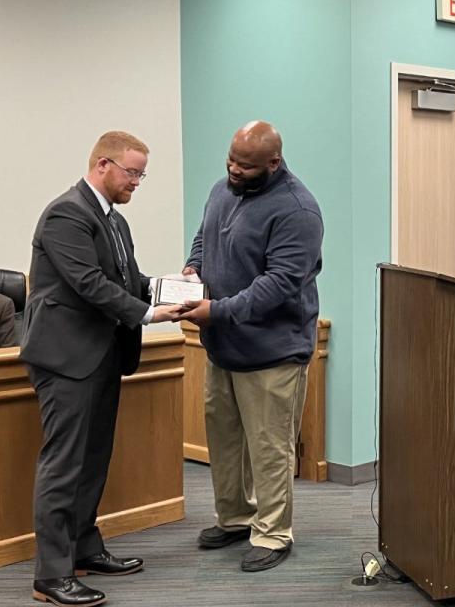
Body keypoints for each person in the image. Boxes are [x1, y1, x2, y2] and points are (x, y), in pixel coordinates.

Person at [21, 132, 182, 607]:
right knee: (63, 464)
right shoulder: (66, 213)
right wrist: (149, 314)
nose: (138, 182)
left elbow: (129, 280)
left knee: (93, 458)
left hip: (102, 354)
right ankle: (50, 576)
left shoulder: (114, 221)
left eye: (142, 174)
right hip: (66, 358)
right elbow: (89, 284)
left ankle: (84, 549)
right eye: (133, 172)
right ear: (103, 165)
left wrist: (172, 287)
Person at [181, 120, 323, 573]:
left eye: (245, 165)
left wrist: (216, 310)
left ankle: (273, 532)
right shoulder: (222, 189)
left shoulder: (298, 210)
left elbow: (278, 284)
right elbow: (205, 234)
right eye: (231, 159)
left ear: (273, 162)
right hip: (223, 346)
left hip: (273, 352)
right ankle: (236, 518)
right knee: (224, 441)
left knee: (269, 446)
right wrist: (192, 267)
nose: (234, 170)